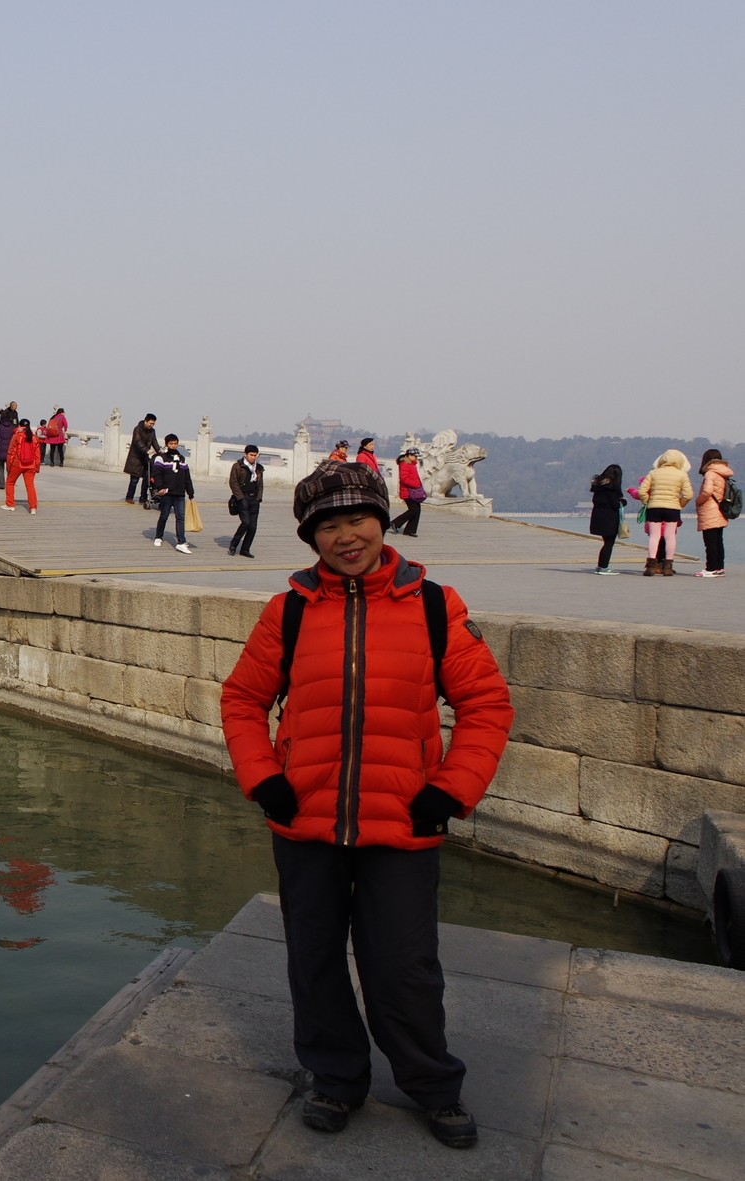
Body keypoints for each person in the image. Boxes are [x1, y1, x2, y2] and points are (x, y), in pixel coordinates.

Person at [220, 459, 513, 1151]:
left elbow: (486, 703)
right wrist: (265, 778)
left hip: (403, 817)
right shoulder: (290, 608)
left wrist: (450, 790)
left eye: (357, 518)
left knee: (404, 964)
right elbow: (242, 698)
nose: (345, 535)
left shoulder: (435, 605)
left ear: (383, 520)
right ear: (310, 536)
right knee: (314, 957)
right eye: (327, 525)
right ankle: (335, 1076)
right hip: (305, 817)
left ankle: (432, 1085)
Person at [630, 449, 694, 576]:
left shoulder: (653, 473)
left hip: (654, 507)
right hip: (673, 508)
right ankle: (668, 566)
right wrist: (680, 503)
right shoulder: (681, 475)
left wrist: (647, 501)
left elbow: (642, 491)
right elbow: (689, 494)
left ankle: (651, 565)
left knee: (654, 536)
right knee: (670, 537)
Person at [150, 434, 194, 553]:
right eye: (171, 443)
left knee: (180, 517)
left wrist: (190, 492)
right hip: (167, 493)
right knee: (164, 516)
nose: (174, 446)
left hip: (179, 493)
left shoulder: (182, 459)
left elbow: (187, 477)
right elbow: (157, 474)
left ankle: (181, 541)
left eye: (175, 443)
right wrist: (160, 487)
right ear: (166, 444)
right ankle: (158, 536)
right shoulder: (161, 458)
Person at [694, 448, 732, 578]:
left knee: (710, 542)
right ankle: (719, 567)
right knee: (718, 541)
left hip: (710, 510)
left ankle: (710, 568)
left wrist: (698, 501)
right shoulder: (723, 473)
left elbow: (707, 491)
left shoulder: (710, 473)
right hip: (720, 510)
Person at [588, 464, 626, 574]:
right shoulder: (612, 488)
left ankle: (601, 565)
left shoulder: (598, 487)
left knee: (606, 543)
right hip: (609, 519)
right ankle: (603, 566)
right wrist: (623, 502)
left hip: (598, 517)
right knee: (609, 543)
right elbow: (615, 504)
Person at [228, 444, 264, 558]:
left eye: (255, 455)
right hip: (242, 498)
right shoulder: (238, 466)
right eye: (251, 455)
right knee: (246, 522)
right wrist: (240, 498)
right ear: (245, 454)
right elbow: (233, 483)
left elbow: (260, 484)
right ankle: (234, 544)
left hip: (254, 499)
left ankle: (245, 549)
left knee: (253, 527)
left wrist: (259, 497)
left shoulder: (258, 468)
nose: (253, 457)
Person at [2, 419, 41, 513]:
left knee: (10, 482)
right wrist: (37, 467)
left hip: (17, 464)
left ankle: (10, 504)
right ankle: (33, 508)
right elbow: (38, 454)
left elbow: (11, 452)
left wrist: (9, 466)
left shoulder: (16, 436)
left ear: (19, 426)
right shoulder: (34, 437)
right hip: (31, 465)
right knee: (30, 486)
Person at [388, 449, 425, 537]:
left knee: (417, 510)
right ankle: (395, 523)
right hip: (408, 492)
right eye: (413, 455)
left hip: (414, 491)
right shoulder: (404, 464)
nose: (415, 457)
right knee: (413, 510)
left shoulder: (413, 465)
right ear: (408, 455)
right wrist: (416, 484)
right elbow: (404, 478)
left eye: (416, 456)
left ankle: (410, 530)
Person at [125, 413, 160, 505]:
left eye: (153, 424)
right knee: (134, 480)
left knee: (146, 479)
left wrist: (159, 452)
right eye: (150, 423)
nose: (151, 425)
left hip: (145, 459)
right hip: (136, 459)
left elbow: (154, 442)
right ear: (146, 421)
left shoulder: (152, 431)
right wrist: (147, 450)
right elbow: (137, 442)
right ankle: (129, 497)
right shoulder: (137, 429)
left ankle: (143, 498)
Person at [0, 412, 16, 491]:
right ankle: (9, 483)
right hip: (10, 451)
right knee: (10, 469)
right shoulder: (14, 428)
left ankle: (1, 484)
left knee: (1, 468)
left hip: (0, 450)